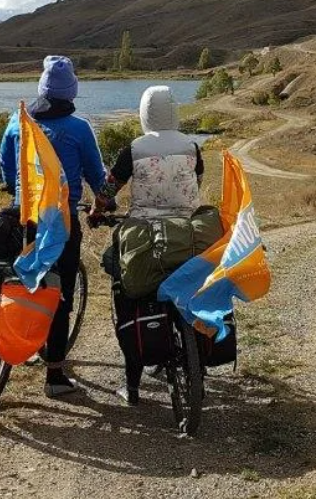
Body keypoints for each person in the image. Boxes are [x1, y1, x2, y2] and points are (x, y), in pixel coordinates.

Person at [0, 55, 105, 398]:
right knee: (60, 293)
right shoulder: (78, 128)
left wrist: (13, 187)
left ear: (41, 89)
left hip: (20, 216)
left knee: (18, 283)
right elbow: (95, 173)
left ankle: (17, 343)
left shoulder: (18, 121)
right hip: (59, 221)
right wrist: (105, 200)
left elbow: (5, 164)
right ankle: (55, 376)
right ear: (71, 92)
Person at [91, 85, 204, 405]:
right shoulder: (193, 146)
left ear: (144, 113)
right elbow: (196, 183)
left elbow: (107, 190)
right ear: (174, 111)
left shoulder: (134, 149)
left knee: (121, 281)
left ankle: (133, 384)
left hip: (144, 234)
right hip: (187, 233)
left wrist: (98, 211)